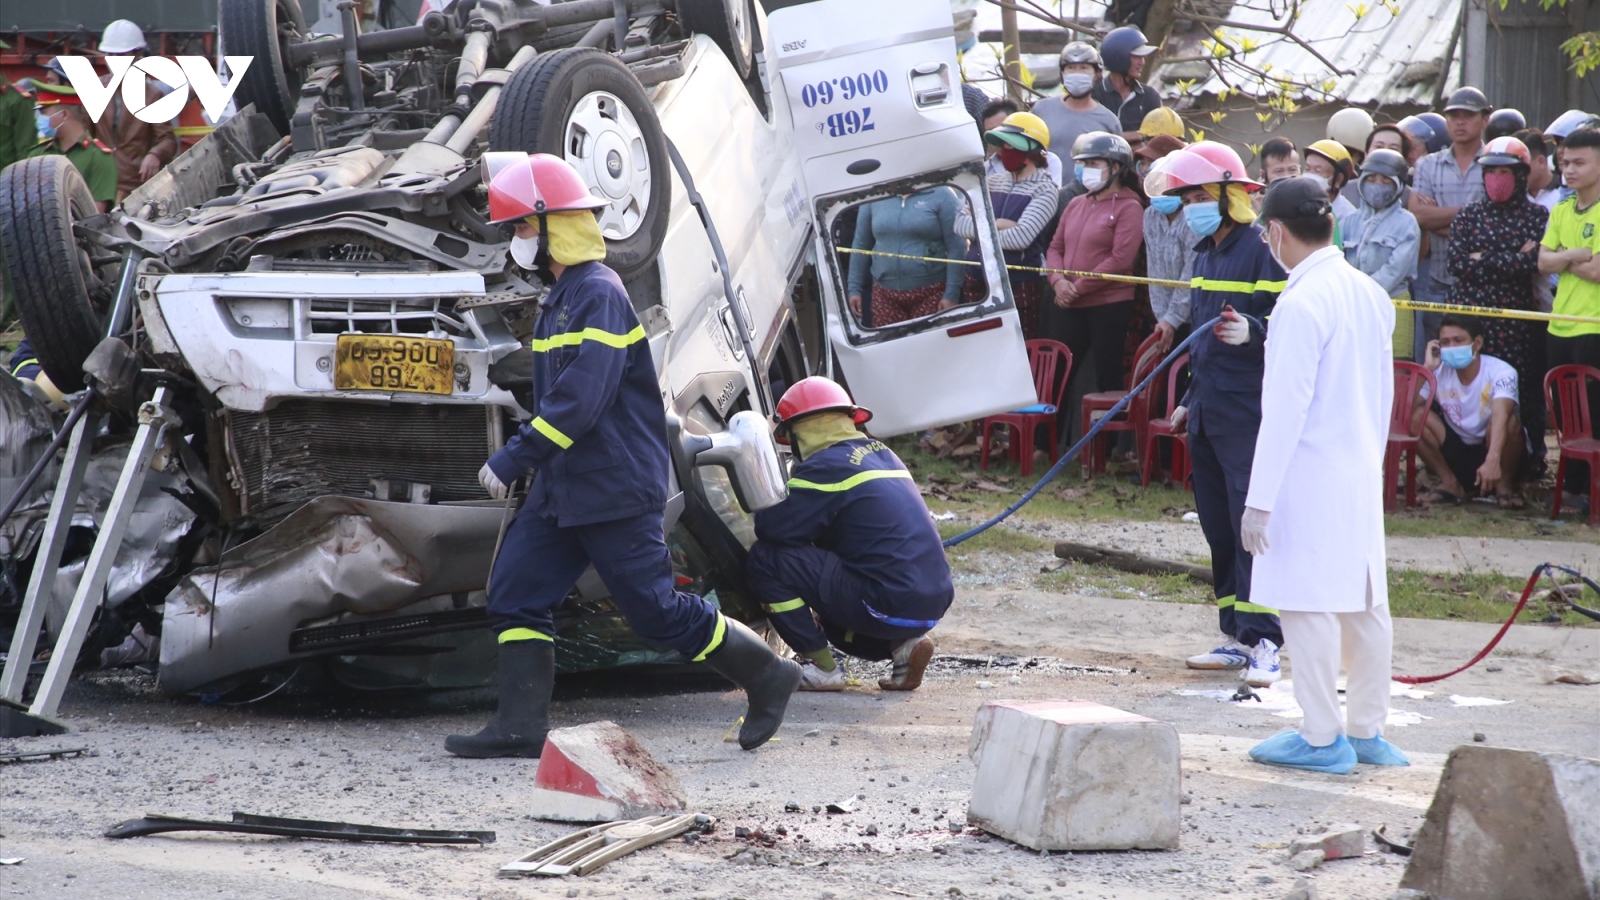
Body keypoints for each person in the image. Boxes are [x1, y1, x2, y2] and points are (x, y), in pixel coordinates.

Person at [447, 154, 800, 758]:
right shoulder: (563, 297)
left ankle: (768, 674)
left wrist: (515, 456)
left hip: (612, 488)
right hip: (566, 489)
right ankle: (520, 727)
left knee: (656, 613)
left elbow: (581, 402)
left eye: (522, 227)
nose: (516, 240)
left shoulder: (597, 293)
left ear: (554, 226)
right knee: (516, 593)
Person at [1242, 175, 1405, 775]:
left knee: (1305, 602)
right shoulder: (1370, 292)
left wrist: (1259, 500)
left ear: (1276, 232)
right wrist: (1369, 462)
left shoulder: (1301, 302)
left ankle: (1320, 737)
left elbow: (1284, 409)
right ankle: (1367, 730)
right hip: (1358, 467)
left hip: (1307, 472)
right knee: (1365, 602)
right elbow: (1383, 392)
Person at [1161, 142, 1286, 687]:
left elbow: (1289, 321)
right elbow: (1201, 343)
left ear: (1230, 195)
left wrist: (1254, 332)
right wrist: (1189, 400)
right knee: (1218, 528)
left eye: (1199, 197)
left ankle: (1266, 641)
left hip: (1248, 413)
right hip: (1209, 410)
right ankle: (1236, 635)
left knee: (1250, 528)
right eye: (1186, 199)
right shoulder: (1204, 255)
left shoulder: (1261, 251)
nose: (1191, 207)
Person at [745, 377, 952, 692]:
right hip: (930, 600)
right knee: (836, 624)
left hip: (885, 602)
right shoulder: (884, 454)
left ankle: (820, 668)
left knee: (766, 559)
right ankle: (905, 646)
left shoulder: (826, 465)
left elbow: (771, 528)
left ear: (800, 432)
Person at [1446, 136, 1548, 481]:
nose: (1497, 179)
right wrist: (1511, 258)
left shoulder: (1536, 215)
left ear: (1521, 175)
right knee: (1465, 387)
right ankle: (1465, 466)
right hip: (1469, 317)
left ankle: (1521, 466)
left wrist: (1484, 257)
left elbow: (1534, 263)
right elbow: (1457, 263)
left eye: (1505, 172)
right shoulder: (1468, 215)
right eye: (1491, 172)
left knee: (1517, 390)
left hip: (1514, 323)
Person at [1044, 132, 1145, 416]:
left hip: (1108, 305)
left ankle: (1106, 441)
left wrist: (1077, 287)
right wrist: (1058, 281)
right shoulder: (1076, 203)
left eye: (1094, 163)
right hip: (1068, 302)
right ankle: (1048, 439)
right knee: (1057, 378)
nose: (1085, 169)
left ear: (1116, 167)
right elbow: (1055, 247)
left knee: (1107, 378)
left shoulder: (1130, 207)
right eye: (1083, 163)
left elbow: (1120, 260)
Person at [1538, 125, 1600, 514]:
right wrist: (1574, 254)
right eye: (1565, 163)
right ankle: (1573, 488)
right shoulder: (1561, 209)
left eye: (1579, 162)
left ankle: (1591, 491)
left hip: (1594, 325)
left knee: (1594, 414)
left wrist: (1562, 256)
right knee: (1565, 417)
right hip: (1559, 324)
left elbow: (1597, 271)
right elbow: (1543, 263)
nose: (1569, 170)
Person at [955, 112, 1059, 340]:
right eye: (1002, 145)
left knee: (1019, 346)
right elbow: (960, 224)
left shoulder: (1045, 190)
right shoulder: (991, 182)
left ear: (1032, 150)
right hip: (976, 277)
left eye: (1011, 146)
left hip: (1018, 283)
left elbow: (1020, 239)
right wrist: (1000, 224)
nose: (1003, 151)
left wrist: (981, 225)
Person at [1410, 86, 1491, 360]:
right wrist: (1472, 214)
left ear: (1485, 119)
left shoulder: (1495, 163)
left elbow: (1494, 226)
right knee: (1437, 358)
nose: (1459, 122)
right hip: (1438, 280)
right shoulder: (1427, 164)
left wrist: (1440, 218)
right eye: (1453, 115)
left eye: (1468, 115)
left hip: (1484, 282)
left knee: (1481, 358)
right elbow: (1419, 217)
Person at [1413, 315, 1526, 506]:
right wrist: (1427, 369)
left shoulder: (1501, 371)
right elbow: (1404, 408)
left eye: (1458, 340)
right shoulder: (1437, 371)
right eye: (1445, 342)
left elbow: (1502, 413)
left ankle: (1504, 485)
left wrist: (1493, 458)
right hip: (1455, 448)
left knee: (1510, 423)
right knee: (1414, 417)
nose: (1452, 347)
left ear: (1477, 343)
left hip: (1493, 447)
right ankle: (1450, 482)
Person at [846, 187, 966, 327]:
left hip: (932, 292)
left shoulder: (942, 193)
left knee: (930, 341)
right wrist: (854, 289)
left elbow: (957, 246)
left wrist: (952, 294)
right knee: (889, 342)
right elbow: (861, 244)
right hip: (884, 296)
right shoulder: (873, 196)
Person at [1342, 148, 1421, 360]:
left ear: (1399, 185)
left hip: (1392, 304)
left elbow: (1394, 271)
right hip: (1354, 307)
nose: (1377, 184)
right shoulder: (1348, 221)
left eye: (1386, 180)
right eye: (1371, 179)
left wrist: (1362, 294)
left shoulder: (1407, 223)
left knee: (1395, 369)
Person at [88, 21, 179, 202]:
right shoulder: (94, 89)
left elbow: (168, 140)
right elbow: (85, 136)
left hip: (133, 186)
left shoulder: (152, 95)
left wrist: (155, 154)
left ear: (137, 55)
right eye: (110, 54)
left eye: (121, 55)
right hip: (98, 184)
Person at [1030, 42, 1122, 190]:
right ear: (1062, 73)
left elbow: (1116, 169)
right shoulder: (1041, 109)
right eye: (1071, 68)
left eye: (1084, 68)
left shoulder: (1109, 121)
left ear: (1097, 74)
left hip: (1086, 198)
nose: (1077, 73)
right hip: (1040, 195)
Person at [1139, 137, 1195, 354]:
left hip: (1193, 316)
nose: (1162, 192)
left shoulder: (1192, 217)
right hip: (1161, 317)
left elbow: (1191, 271)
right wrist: (1162, 318)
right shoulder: (1150, 215)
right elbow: (1154, 269)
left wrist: (1173, 318)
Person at [26, 84, 117, 213]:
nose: (39, 119)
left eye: (44, 112)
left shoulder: (98, 157)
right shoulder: (37, 154)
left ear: (64, 115)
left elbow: (95, 215)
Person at [1090, 26, 1163, 135]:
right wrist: (1138, 136)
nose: (1142, 62)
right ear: (1118, 57)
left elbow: (1156, 137)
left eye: (1142, 57)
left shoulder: (1149, 96)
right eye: (1137, 56)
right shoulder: (1094, 94)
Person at [982, 98, 1063, 185]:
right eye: (993, 132)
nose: (1000, 138)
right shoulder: (986, 169)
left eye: (1002, 130)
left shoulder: (1049, 161)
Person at [1303, 139, 1356, 222]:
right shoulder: (1294, 205)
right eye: (1307, 169)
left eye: (1317, 171)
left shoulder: (1349, 217)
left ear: (1338, 180)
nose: (1310, 175)